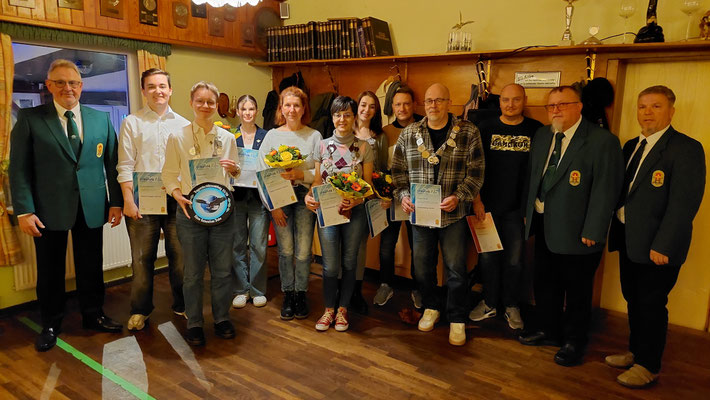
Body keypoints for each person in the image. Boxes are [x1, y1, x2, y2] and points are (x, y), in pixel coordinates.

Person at [9, 59, 124, 352]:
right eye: (60, 82)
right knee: (50, 270)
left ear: (81, 86)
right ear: (49, 86)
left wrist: (116, 203)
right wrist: (24, 210)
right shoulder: (31, 119)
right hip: (47, 209)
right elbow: (19, 169)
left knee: (91, 266)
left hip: (92, 206)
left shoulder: (100, 119)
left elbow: (112, 164)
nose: (67, 88)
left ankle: (93, 315)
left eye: (73, 82)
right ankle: (50, 323)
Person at [606, 85, 706, 388]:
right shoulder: (631, 146)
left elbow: (684, 204)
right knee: (633, 299)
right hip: (629, 239)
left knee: (651, 304)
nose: (647, 112)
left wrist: (664, 244)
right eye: (642, 107)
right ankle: (636, 352)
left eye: (656, 106)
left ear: (671, 111)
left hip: (657, 246)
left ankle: (648, 365)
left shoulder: (686, 148)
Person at [518, 86, 624, 366]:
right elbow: (534, 177)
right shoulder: (543, 135)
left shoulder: (602, 141)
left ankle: (574, 341)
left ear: (579, 106)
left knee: (576, 290)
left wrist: (594, 229)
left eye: (562, 104)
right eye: (551, 106)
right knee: (545, 282)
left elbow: (606, 189)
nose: (555, 110)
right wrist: (529, 212)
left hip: (580, 230)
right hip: (544, 222)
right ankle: (549, 330)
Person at [391, 83, 485, 346]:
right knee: (422, 267)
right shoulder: (409, 133)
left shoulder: (468, 132)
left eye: (439, 100)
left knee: (456, 269)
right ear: (424, 104)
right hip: (420, 216)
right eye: (429, 101)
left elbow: (476, 173)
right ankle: (431, 307)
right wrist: (403, 196)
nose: (433, 105)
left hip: (453, 215)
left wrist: (460, 197)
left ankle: (457, 317)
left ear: (449, 102)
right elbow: (397, 172)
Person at [162, 81, 241, 346]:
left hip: (222, 212)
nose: (205, 106)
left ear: (216, 105)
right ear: (191, 103)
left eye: (210, 102)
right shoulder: (177, 137)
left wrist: (234, 170)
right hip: (190, 213)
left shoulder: (228, 138)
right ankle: (194, 322)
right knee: (193, 273)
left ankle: (222, 318)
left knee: (222, 271)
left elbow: (236, 172)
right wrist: (176, 194)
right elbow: (168, 174)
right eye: (200, 101)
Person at [117, 68, 190, 331]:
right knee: (141, 259)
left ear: (170, 90)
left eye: (162, 86)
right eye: (151, 86)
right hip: (142, 200)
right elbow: (125, 165)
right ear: (143, 91)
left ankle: (182, 304)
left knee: (180, 258)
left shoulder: (183, 125)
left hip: (175, 199)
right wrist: (128, 199)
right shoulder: (131, 122)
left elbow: (187, 166)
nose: (157, 91)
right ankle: (140, 310)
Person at [469, 84, 542, 330]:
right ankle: (489, 303)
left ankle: (511, 305)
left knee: (514, 261)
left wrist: (528, 210)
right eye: (506, 100)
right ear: (499, 102)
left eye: (516, 100)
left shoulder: (536, 130)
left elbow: (538, 172)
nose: (510, 105)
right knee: (488, 259)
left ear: (524, 101)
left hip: (517, 211)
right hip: (486, 208)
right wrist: (477, 201)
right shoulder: (485, 128)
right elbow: (474, 168)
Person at [305, 96, 374, 332]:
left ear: (354, 117)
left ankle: (343, 310)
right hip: (327, 212)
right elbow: (317, 180)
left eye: (347, 114)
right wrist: (309, 196)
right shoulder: (322, 146)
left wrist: (356, 200)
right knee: (330, 266)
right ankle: (328, 310)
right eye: (337, 114)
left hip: (355, 213)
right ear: (332, 117)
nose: (342, 119)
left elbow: (368, 186)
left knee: (349, 262)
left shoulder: (364, 147)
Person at [258, 86, 322, 321]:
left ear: (304, 108)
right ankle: (288, 293)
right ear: (281, 109)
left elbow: (320, 173)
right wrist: (272, 206)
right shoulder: (271, 136)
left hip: (305, 197)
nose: (292, 109)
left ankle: (300, 293)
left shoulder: (314, 136)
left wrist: (300, 175)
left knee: (303, 251)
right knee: (285, 250)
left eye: (297, 105)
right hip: (280, 198)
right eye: (287, 105)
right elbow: (262, 173)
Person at [374, 85, 425, 308]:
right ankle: (385, 284)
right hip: (392, 197)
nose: (402, 108)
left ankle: (419, 288)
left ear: (414, 105)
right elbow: (379, 167)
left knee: (418, 246)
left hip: (419, 198)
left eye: (406, 103)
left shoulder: (425, 127)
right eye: (397, 104)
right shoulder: (385, 132)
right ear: (392, 107)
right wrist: (383, 193)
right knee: (387, 244)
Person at [231, 95, 270, 309]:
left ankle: (257, 290)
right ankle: (240, 289)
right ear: (238, 111)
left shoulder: (266, 136)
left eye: (251, 108)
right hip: (235, 196)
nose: (247, 113)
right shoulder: (230, 136)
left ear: (256, 111)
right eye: (244, 109)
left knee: (259, 246)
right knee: (237, 245)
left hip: (258, 197)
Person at [349, 91, 387, 314]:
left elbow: (382, 169)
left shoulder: (379, 137)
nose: (366, 110)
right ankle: (342, 289)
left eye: (372, 106)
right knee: (342, 245)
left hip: (367, 199)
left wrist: (380, 193)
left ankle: (356, 291)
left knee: (360, 246)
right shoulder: (344, 128)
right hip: (344, 197)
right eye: (363, 104)